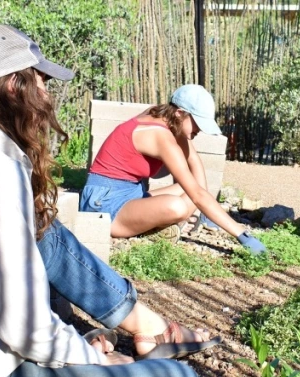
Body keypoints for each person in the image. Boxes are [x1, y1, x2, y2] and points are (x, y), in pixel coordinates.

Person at [0, 23, 215, 377]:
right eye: (41, 81)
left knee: (43, 230)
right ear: (13, 85)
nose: (47, 95)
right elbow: (21, 324)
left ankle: (146, 325)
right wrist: (91, 360)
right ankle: (147, 332)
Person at [79, 84, 266, 254]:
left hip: (130, 193)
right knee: (178, 206)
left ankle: (159, 227)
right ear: (180, 113)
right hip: (103, 204)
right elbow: (198, 194)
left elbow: (195, 163)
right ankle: (155, 229)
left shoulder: (161, 117)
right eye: (197, 123)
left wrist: (205, 213)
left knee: (186, 191)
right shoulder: (161, 137)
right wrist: (243, 236)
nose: (200, 129)